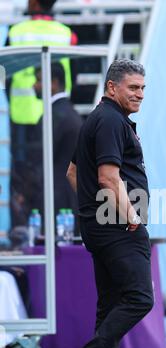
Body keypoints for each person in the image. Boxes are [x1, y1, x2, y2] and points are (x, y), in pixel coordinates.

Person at [61, 59, 154, 348]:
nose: (140, 94)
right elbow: (107, 178)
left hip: (102, 226)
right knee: (139, 298)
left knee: (111, 308)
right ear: (112, 87)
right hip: (118, 229)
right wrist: (130, 218)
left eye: (143, 88)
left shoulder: (99, 119)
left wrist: (91, 211)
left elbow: (73, 172)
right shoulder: (111, 120)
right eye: (133, 87)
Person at [8, 0, 77, 227]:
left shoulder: (16, 31)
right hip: (56, 114)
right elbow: (73, 74)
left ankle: (22, 231)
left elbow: (6, 74)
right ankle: (48, 228)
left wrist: (13, 100)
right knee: (55, 173)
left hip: (23, 114)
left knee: (22, 177)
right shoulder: (66, 34)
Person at [34, 63, 82, 229]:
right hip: (70, 199)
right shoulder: (71, 113)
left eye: (38, 80)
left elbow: (42, 158)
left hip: (55, 199)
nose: (34, 85)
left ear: (53, 83)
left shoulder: (54, 116)